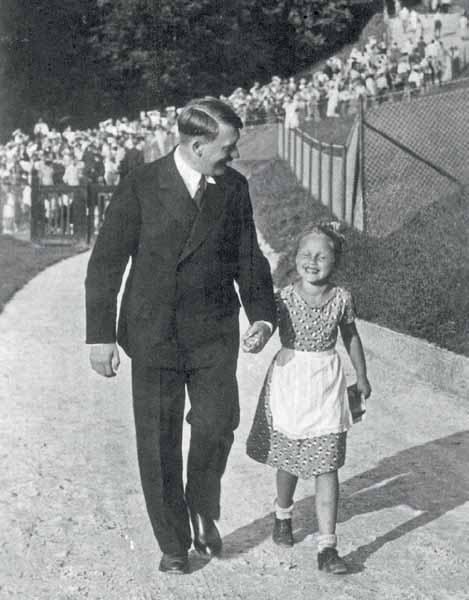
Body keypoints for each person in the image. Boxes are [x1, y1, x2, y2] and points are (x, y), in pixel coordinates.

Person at [85, 97, 276, 575]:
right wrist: (100, 335)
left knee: (217, 424)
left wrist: (262, 315)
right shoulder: (142, 185)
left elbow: (247, 256)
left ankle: (200, 503)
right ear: (196, 144)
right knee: (158, 439)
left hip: (212, 333)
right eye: (227, 147)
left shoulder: (234, 188)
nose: (234, 154)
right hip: (154, 334)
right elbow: (106, 262)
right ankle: (172, 542)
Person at [246, 222, 371, 575]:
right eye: (305, 255)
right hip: (290, 381)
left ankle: (327, 547)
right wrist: (256, 337)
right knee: (289, 458)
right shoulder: (283, 298)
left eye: (321, 256)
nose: (312, 262)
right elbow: (265, 327)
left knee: (327, 463)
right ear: (294, 260)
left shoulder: (342, 298)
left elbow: (351, 336)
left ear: (336, 261)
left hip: (326, 385)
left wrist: (361, 375)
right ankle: (282, 513)